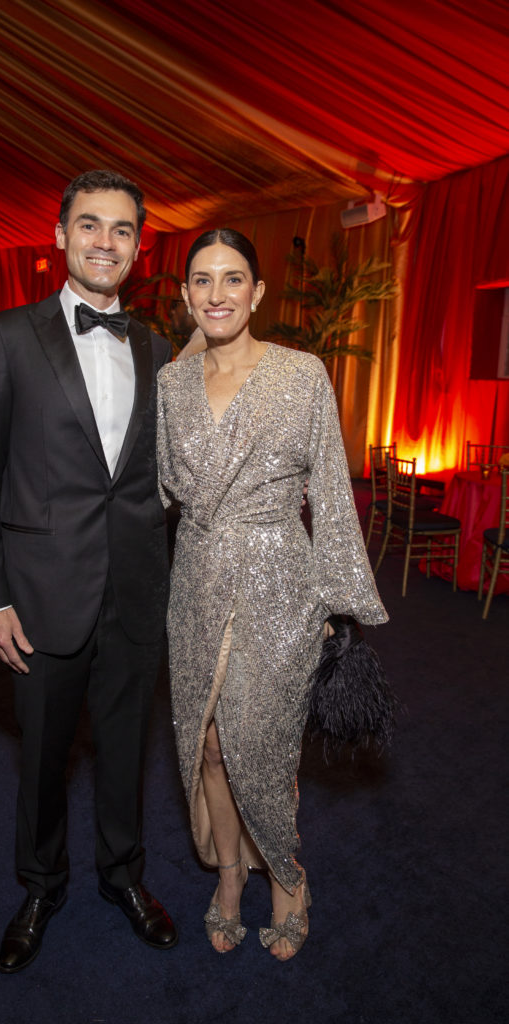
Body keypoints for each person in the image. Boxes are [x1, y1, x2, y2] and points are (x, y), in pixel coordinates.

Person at [0, 169, 177, 974]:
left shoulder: (157, 345)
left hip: (134, 588)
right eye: (89, 225)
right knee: (42, 756)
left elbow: (158, 473)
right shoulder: (7, 335)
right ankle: (40, 885)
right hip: (40, 593)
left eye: (121, 229)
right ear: (58, 235)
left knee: (126, 750)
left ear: (138, 244)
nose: (104, 242)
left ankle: (123, 877)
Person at [156, 229, 388, 961]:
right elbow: (162, 487)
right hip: (193, 581)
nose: (216, 293)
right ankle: (229, 875)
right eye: (201, 280)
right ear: (186, 294)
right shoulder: (169, 384)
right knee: (210, 748)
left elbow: (329, 486)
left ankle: (287, 877)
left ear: (257, 293)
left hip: (278, 586)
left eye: (232, 279)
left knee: (264, 747)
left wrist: (336, 602)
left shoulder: (301, 373)